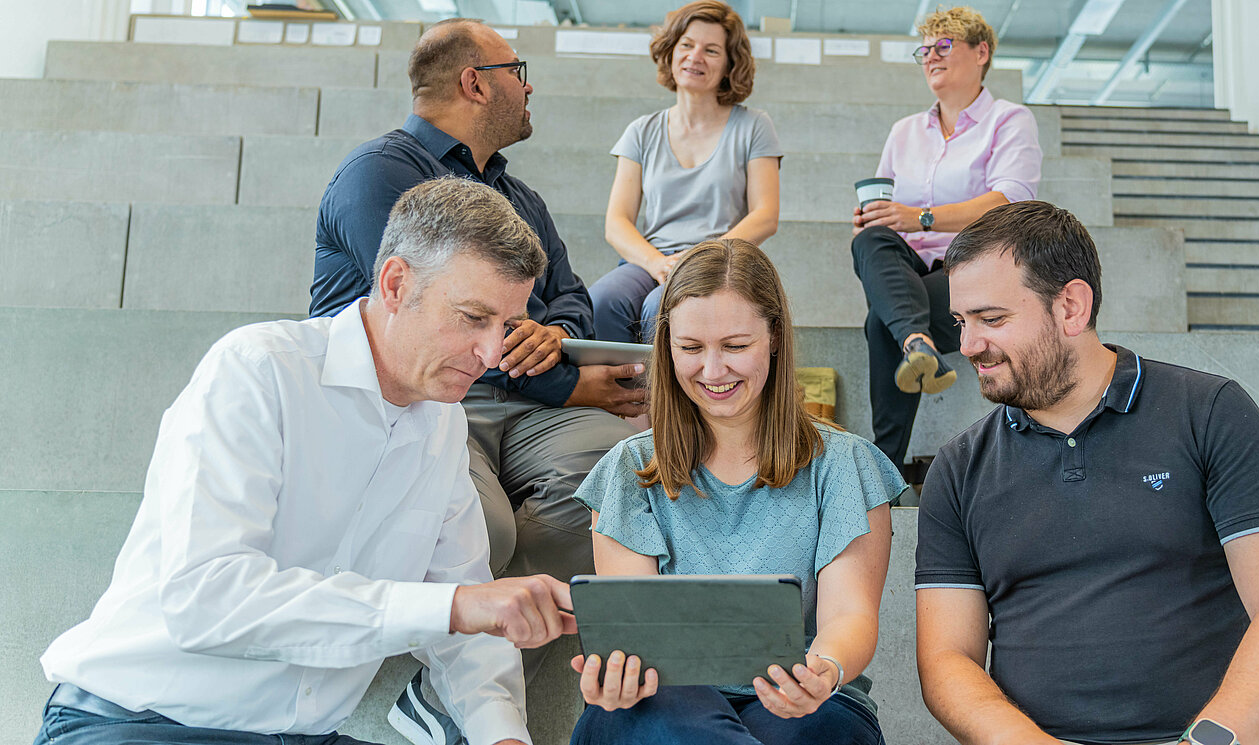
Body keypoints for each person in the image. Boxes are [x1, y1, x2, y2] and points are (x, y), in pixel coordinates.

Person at [35, 178, 576, 745]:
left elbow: (468, 624)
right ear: (395, 283)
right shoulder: (256, 371)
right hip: (142, 722)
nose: (492, 355)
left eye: (507, 328)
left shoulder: (442, 425)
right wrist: (454, 606)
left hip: (304, 735)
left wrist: (503, 736)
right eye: (472, 317)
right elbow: (207, 598)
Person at [309, 19, 644, 741]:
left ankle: (442, 691)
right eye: (518, 70)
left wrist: (554, 335)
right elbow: (434, 329)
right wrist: (572, 384)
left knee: (622, 479)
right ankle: (474, 689)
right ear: (475, 81)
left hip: (525, 405)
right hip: (423, 399)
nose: (530, 88)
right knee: (480, 525)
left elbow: (573, 299)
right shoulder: (379, 175)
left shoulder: (519, 197)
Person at [915, 201, 1259, 745]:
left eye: (992, 319)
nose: (968, 346)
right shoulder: (959, 467)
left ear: (1071, 307)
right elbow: (947, 658)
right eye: (961, 323)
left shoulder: (1209, 412)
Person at [566, 239, 902, 745]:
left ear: (774, 339)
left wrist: (822, 672)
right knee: (635, 718)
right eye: (692, 348)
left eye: (736, 346)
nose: (713, 371)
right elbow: (638, 638)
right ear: (666, 346)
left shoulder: (845, 465)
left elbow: (850, 616)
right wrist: (619, 675)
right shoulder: (629, 469)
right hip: (666, 697)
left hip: (802, 701)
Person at [850, 6, 1041, 473]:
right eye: (925, 49)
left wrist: (921, 217)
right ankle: (917, 340)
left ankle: (884, 466)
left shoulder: (1009, 120)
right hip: (908, 268)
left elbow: (1009, 202)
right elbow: (890, 212)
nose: (931, 57)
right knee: (869, 240)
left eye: (944, 46)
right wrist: (875, 218)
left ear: (982, 52)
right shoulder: (905, 131)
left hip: (974, 269)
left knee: (881, 322)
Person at [588, 0, 783, 343]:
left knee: (657, 309)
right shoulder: (641, 130)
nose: (695, 57)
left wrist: (698, 259)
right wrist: (658, 264)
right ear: (671, 51)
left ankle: (664, 399)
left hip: (722, 260)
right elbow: (616, 222)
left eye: (711, 50)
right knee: (603, 301)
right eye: (687, 45)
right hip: (655, 260)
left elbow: (766, 215)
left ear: (728, 65)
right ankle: (621, 399)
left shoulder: (754, 126)